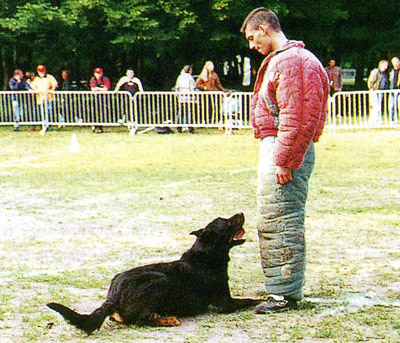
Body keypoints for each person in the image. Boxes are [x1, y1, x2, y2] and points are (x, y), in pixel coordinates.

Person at [240, 8, 329, 313]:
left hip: (284, 152)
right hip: (279, 149)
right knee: (274, 220)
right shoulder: (289, 61)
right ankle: (281, 287)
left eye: (253, 38)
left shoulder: (294, 62)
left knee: (282, 222)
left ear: (265, 29)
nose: (252, 45)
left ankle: (284, 294)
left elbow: (299, 116)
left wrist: (286, 161)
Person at [30, 65, 58, 134]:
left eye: (42, 71)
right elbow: (33, 86)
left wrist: (51, 90)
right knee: (40, 112)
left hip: (48, 98)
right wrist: (36, 91)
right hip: (40, 99)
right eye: (40, 71)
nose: (41, 73)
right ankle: (42, 125)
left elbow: (55, 85)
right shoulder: (36, 79)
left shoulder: (49, 77)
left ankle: (48, 125)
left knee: (49, 111)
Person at [175, 65, 197, 133]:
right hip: (189, 98)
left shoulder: (180, 77)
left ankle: (178, 126)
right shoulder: (190, 78)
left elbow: (177, 88)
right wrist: (194, 97)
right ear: (190, 71)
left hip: (181, 98)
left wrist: (178, 96)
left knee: (181, 112)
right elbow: (192, 88)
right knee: (189, 112)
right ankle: (190, 127)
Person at [367, 60, 389, 125]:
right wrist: (371, 88)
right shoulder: (376, 71)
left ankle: (377, 120)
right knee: (374, 106)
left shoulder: (383, 74)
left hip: (380, 92)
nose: (386, 67)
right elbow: (370, 81)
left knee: (378, 106)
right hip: (375, 91)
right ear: (381, 65)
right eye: (385, 65)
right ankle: (372, 121)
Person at [90, 67, 111, 133]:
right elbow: (92, 89)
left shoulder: (105, 79)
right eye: (96, 73)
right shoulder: (93, 79)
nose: (98, 75)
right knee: (94, 112)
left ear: (102, 73)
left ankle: (100, 127)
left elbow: (106, 89)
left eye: (99, 73)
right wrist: (100, 89)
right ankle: (94, 125)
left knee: (101, 112)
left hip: (103, 99)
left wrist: (97, 89)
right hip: (95, 98)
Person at [388, 57, 400, 124]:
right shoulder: (391, 71)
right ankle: (392, 120)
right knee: (391, 106)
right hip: (392, 91)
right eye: (394, 63)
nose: (396, 64)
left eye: (397, 62)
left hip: (399, 91)